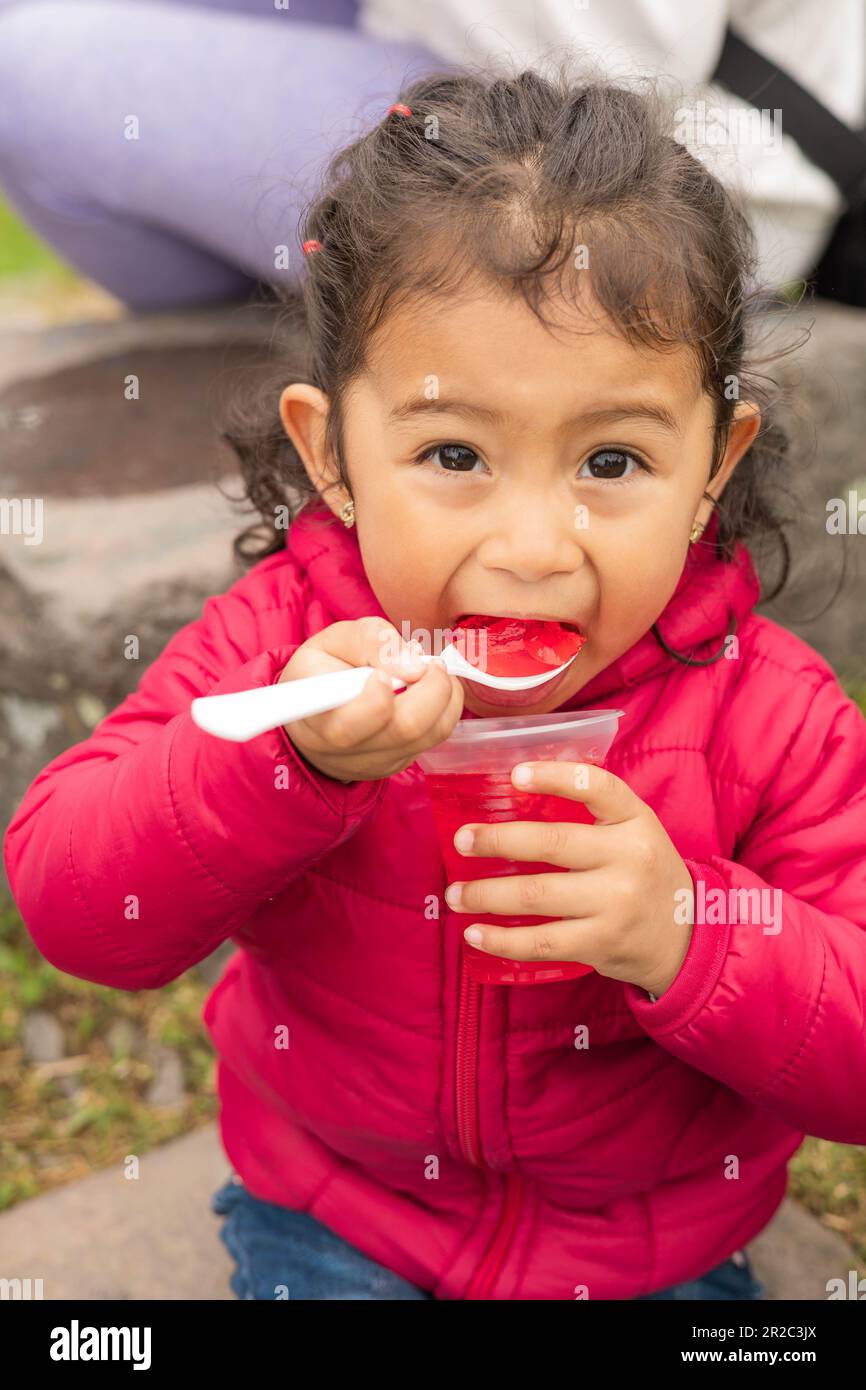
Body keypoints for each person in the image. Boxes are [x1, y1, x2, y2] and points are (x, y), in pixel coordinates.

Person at [5, 68, 866, 1301]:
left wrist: (690, 930)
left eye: (611, 458)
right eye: (452, 453)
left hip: (646, 1244)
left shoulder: (770, 717)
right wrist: (283, 766)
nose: (530, 543)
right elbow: (77, 912)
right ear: (332, 453)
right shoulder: (275, 653)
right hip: (343, 1213)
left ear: (710, 470)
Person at [0, 0, 863, 309]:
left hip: (676, 163)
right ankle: (331, 301)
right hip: (465, 47)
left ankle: (343, 312)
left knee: (22, 72)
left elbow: (613, 67)